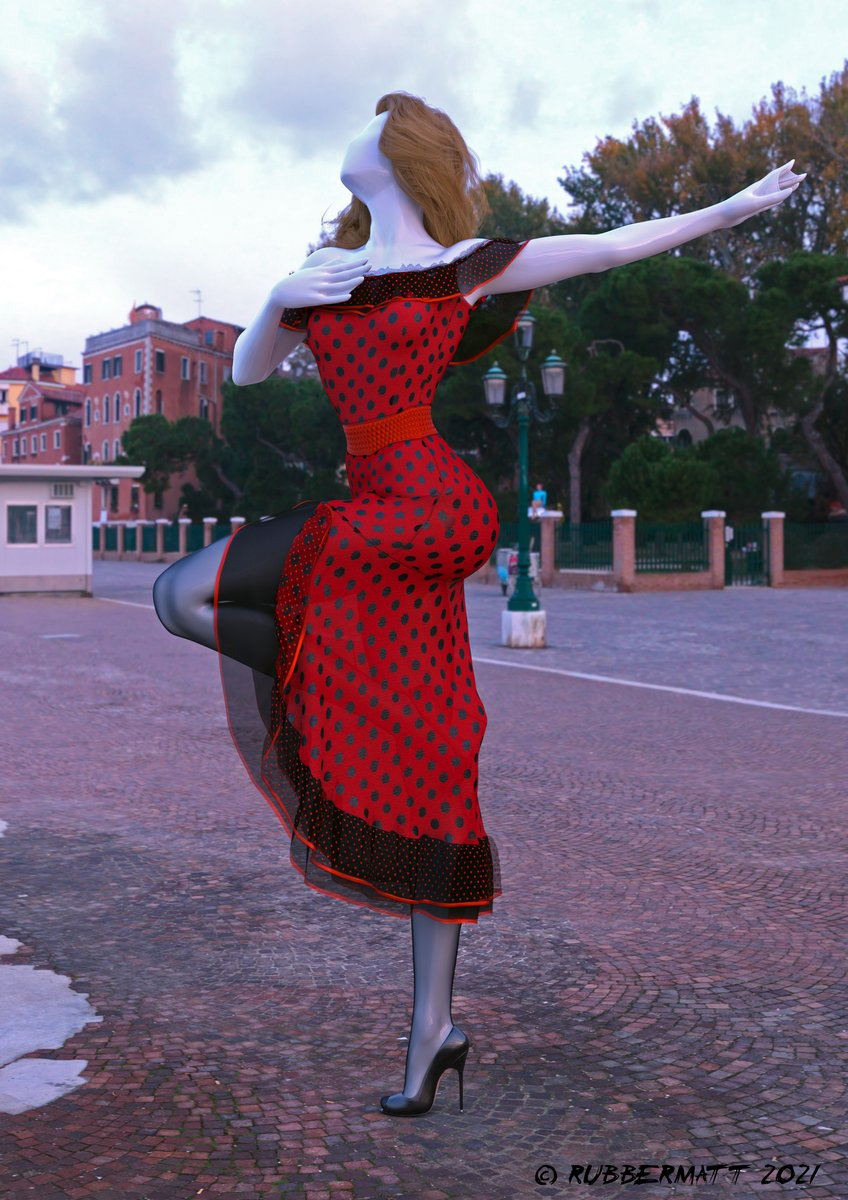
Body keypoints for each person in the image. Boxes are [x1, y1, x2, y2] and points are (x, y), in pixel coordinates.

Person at [152, 91, 803, 1117]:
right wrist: (278, 295)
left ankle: (324, 676)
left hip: (431, 507)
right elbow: (247, 371)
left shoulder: (464, 271)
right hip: (373, 508)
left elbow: (605, 246)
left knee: (192, 586)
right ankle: (431, 1034)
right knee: (407, 748)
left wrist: (731, 208)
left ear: (396, 153)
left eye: (372, 121)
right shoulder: (326, 280)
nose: (352, 130)